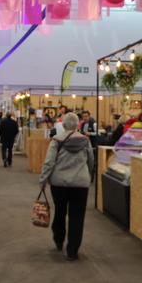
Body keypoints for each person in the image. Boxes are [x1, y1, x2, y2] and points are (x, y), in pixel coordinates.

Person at [39, 112, 94, 261]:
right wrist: (88, 177)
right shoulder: (85, 140)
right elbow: (91, 161)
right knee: (77, 217)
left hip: (59, 183)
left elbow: (49, 162)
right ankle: (73, 250)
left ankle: (58, 239)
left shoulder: (56, 140)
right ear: (78, 125)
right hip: (80, 184)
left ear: (63, 124)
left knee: (60, 211)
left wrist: (43, 180)